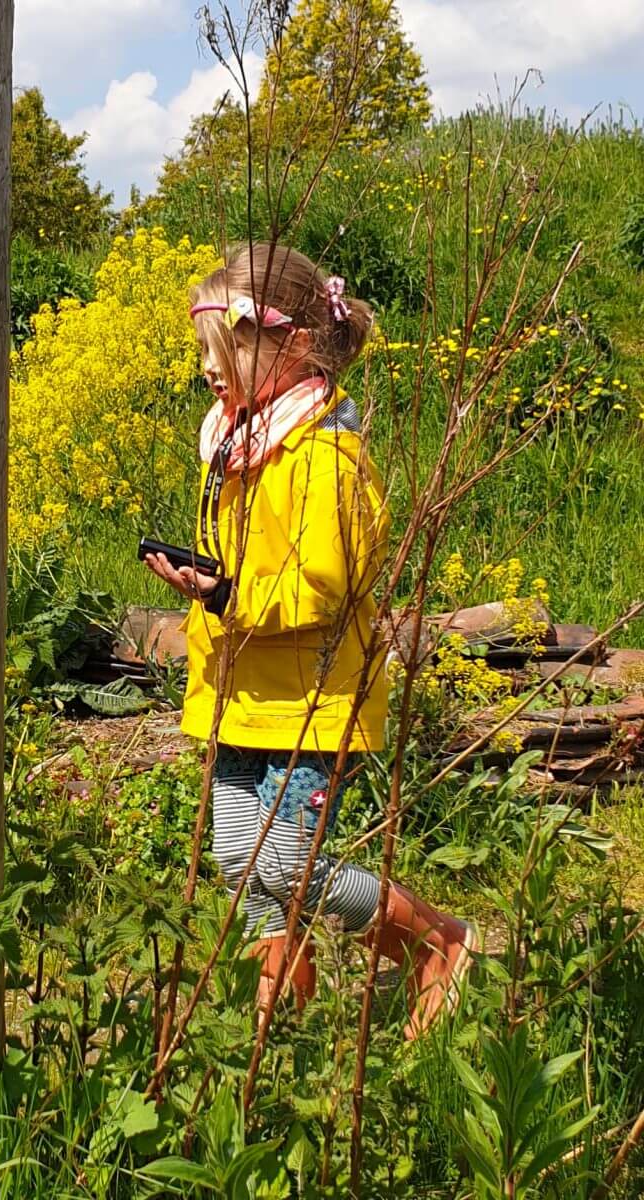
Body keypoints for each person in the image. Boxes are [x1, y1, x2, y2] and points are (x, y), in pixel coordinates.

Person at [144, 242, 477, 1038]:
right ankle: (279, 1032)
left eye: (224, 353)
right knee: (242, 866)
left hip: (311, 706)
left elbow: (323, 590)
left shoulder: (325, 455)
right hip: (244, 695)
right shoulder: (243, 447)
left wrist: (224, 594)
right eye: (204, 355)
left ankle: (438, 945)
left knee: (287, 866)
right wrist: (212, 589)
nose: (208, 373)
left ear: (292, 344)